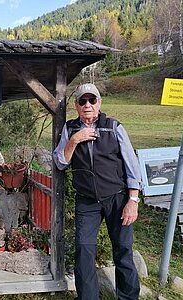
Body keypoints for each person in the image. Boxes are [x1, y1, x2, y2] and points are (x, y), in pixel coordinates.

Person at [53, 83, 142, 300]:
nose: (87, 105)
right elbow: (61, 162)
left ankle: (128, 297)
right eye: (82, 101)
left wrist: (132, 201)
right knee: (84, 251)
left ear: (99, 103)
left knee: (122, 250)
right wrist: (75, 140)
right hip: (87, 200)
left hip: (117, 197)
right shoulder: (70, 129)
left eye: (92, 100)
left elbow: (132, 167)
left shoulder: (113, 127)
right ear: (76, 105)